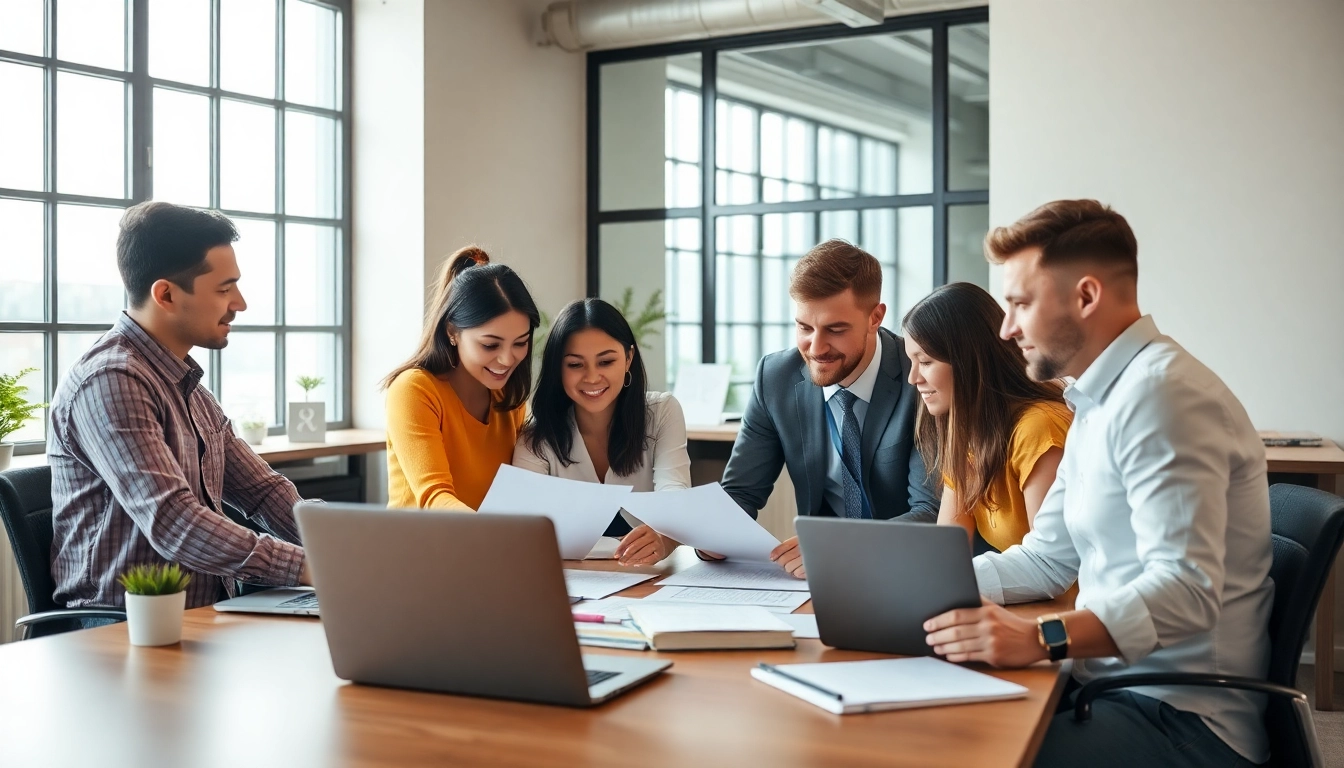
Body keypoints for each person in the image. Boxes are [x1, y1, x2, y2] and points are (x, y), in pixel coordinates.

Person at [923, 200, 1273, 767]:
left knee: (968, 752)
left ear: (1086, 297)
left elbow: (1186, 590)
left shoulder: (1164, 396)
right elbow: (1046, 560)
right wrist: (922, 583)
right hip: (1105, 687)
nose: (1007, 329)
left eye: (1020, 304)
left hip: (1180, 718)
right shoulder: (1095, 400)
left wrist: (1040, 639)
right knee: (934, 726)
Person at [49, 201, 310, 611]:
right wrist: (311, 566)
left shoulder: (185, 383)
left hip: (204, 619)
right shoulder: (112, 381)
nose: (239, 303)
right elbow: (175, 523)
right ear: (166, 294)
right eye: (224, 289)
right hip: (119, 632)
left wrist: (346, 541)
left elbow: (262, 492)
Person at [720, 239, 940, 579]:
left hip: (907, 570)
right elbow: (741, 492)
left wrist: (839, 547)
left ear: (875, 317)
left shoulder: (921, 379)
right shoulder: (775, 378)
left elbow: (930, 512)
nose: (816, 348)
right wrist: (700, 536)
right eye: (805, 328)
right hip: (821, 579)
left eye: (835, 330)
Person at [513, 298, 691, 566]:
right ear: (557, 369)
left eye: (606, 362)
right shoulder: (535, 434)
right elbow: (525, 526)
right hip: (568, 580)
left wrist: (664, 539)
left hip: (648, 576)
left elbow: (675, 498)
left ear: (629, 358)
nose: (592, 377)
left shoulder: (662, 412)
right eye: (575, 365)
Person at [902, 282, 1071, 553]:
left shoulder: (1039, 428)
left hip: (1065, 595)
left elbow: (1053, 567)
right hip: (1018, 594)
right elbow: (948, 554)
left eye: (925, 362)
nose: (913, 378)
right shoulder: (967, 436)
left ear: (968, 361)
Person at [382, 247, 540, 511]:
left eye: (520, 343)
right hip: (416, 549)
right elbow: (434, 498)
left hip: (482, 548)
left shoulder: (507, 398)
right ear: (452, 332)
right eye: (490, 345)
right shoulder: (414, 389)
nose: (507, 359)